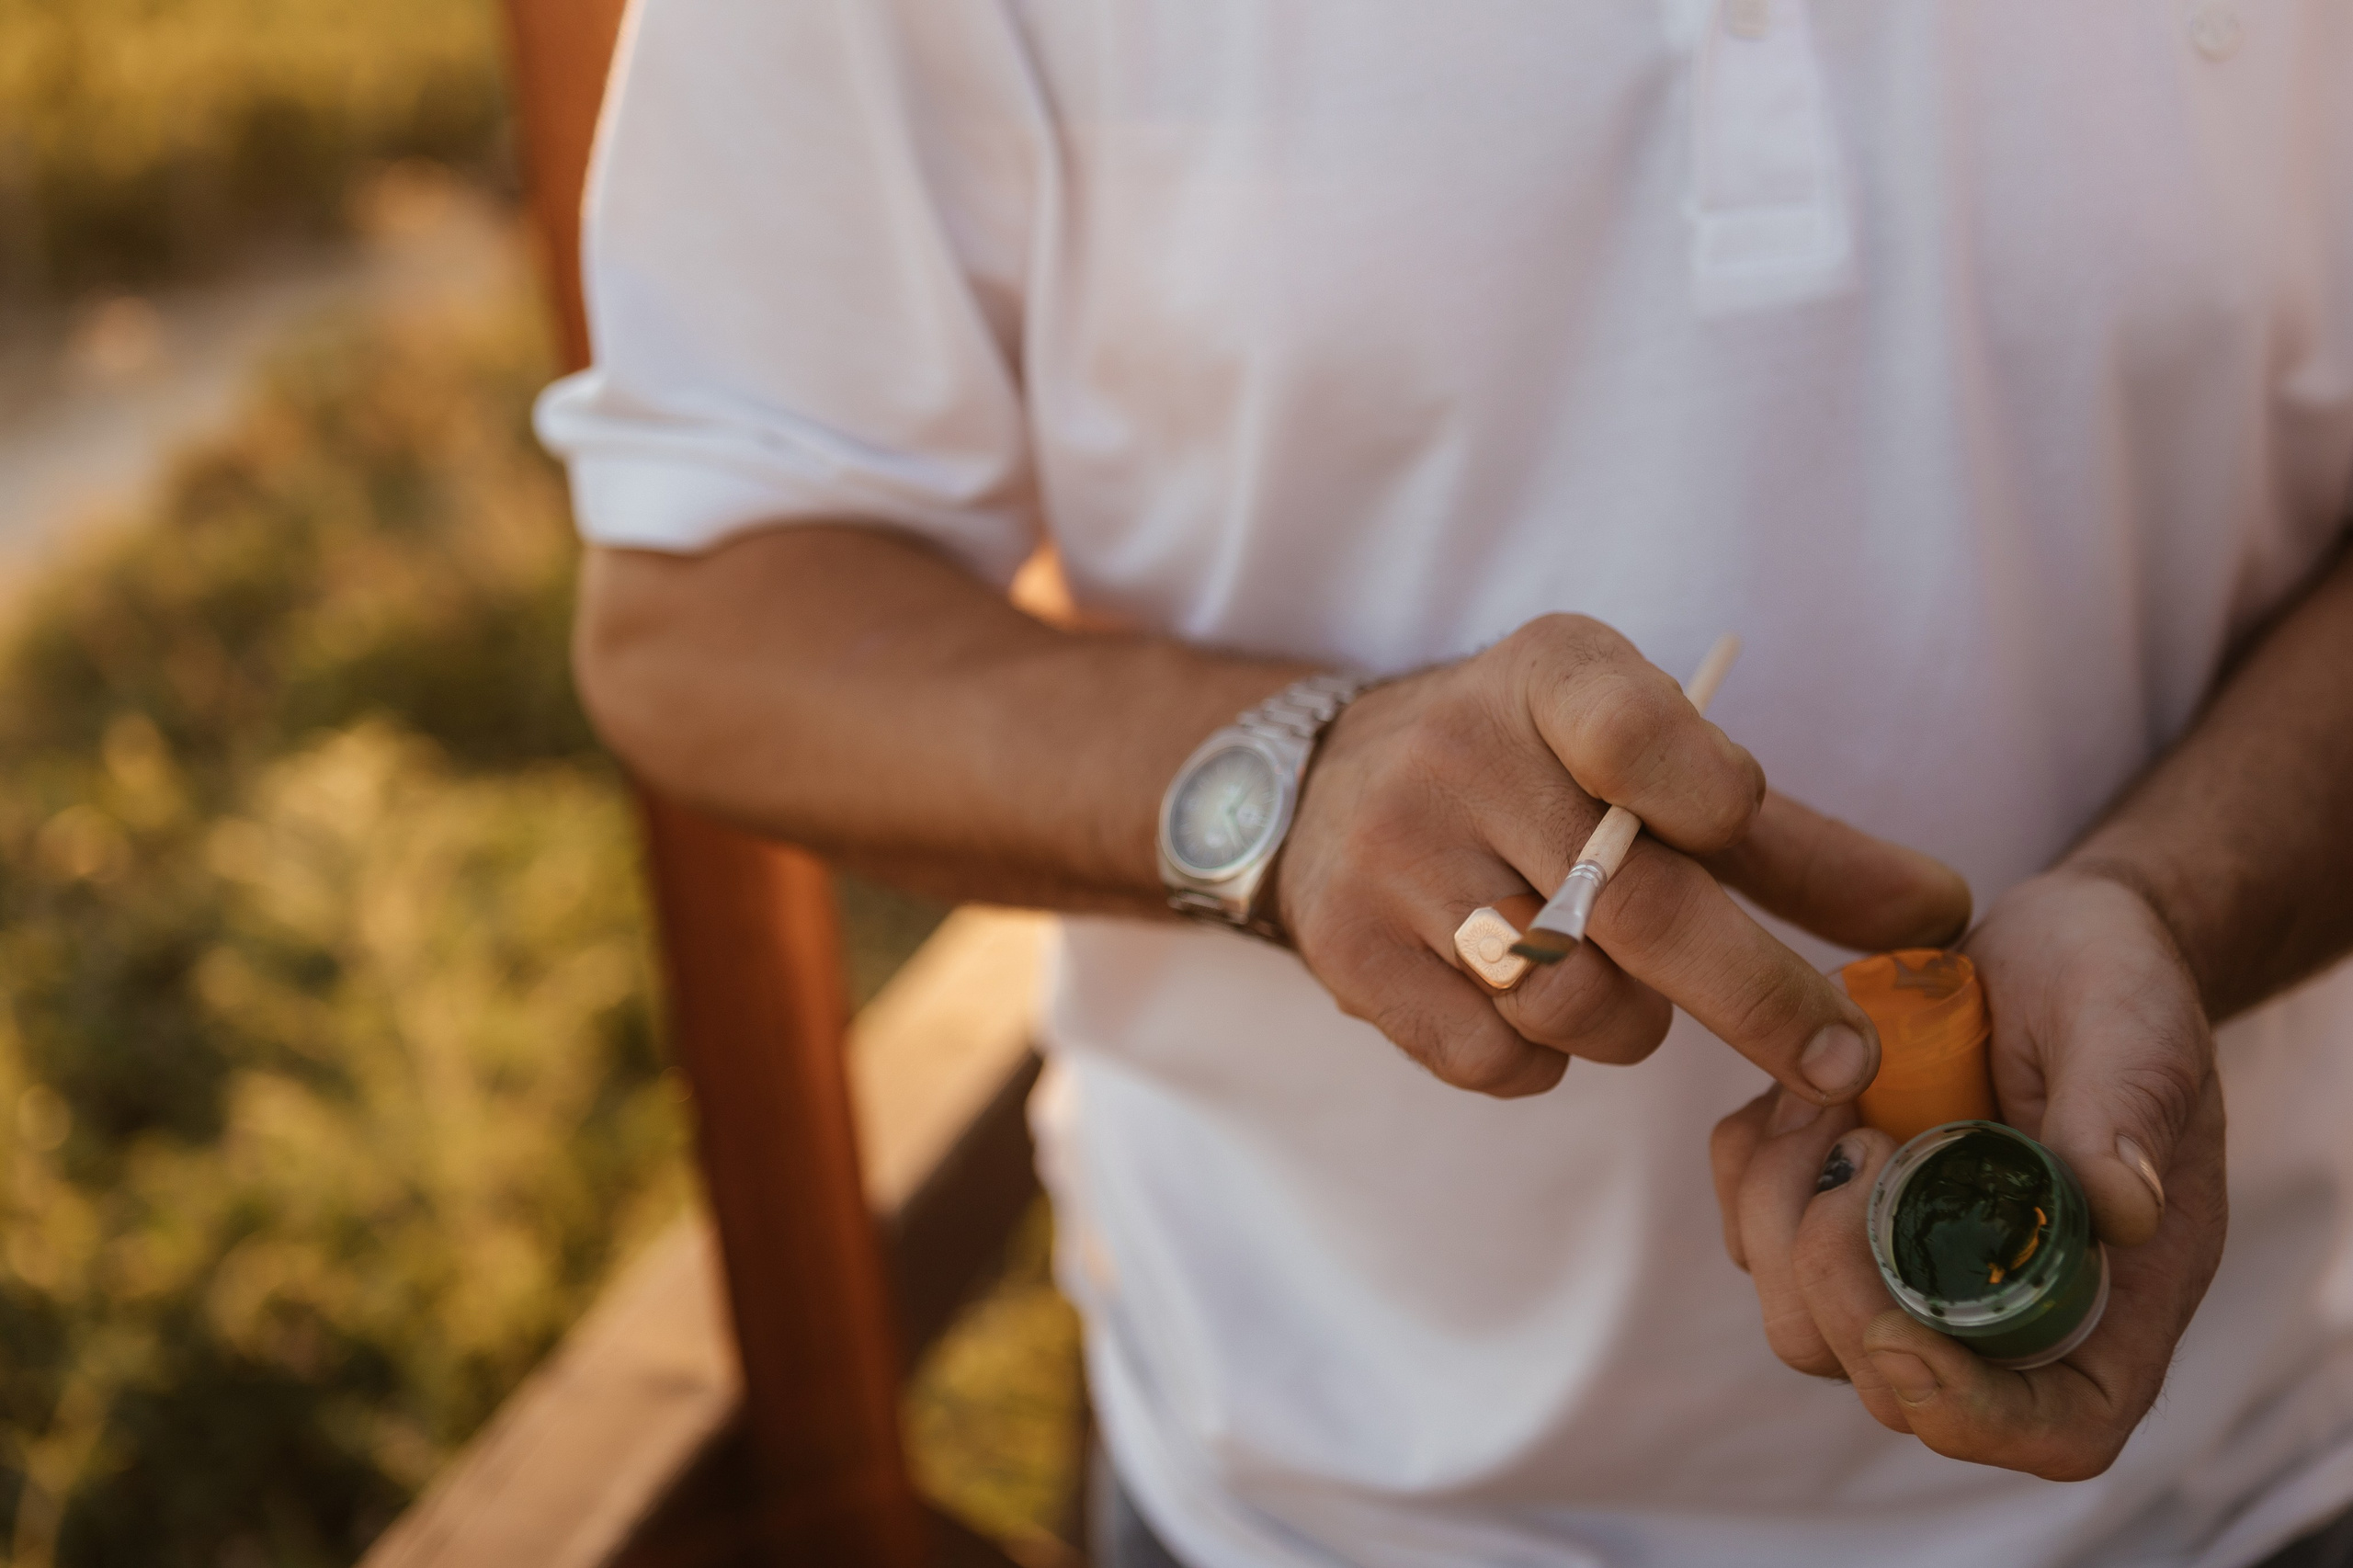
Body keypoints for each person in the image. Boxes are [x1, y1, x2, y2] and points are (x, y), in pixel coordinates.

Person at [536, 3, 2353, 1564]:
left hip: (2257, 1466)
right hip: (1308, 1502)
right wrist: (1295, 778)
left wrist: (2173, 906)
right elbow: (709, 608)